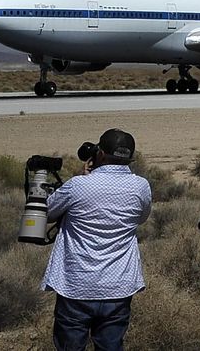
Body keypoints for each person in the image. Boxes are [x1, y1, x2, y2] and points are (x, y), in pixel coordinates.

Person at [41, 128, 152, 351]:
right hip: (118, 286)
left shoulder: (77, 186)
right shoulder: (141, 186)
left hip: (76, 285)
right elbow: (142, 217)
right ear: (129, 157)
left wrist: (85, 178)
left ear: (100, 154)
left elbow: (47, 212)